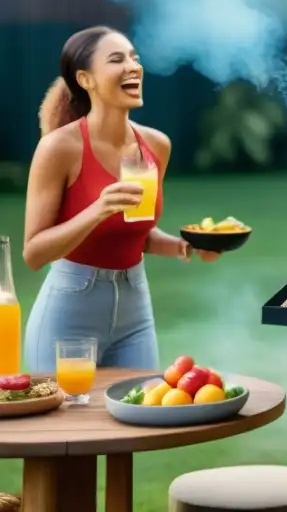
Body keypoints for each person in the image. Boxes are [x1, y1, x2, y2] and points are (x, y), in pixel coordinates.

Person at [23, 26, 219, 372]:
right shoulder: (60, 148)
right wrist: (97, 209)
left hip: (135, 311)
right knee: (69, 424)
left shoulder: (156, 146)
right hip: (69, 312)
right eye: (117, 60)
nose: (133, 67)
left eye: (135, 58)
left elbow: (135, 232)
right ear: (86, 79)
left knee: (136, 418)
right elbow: (34, 253)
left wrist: (184, 246)